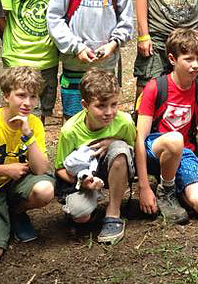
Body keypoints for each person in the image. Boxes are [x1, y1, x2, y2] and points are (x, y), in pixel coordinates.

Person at [135, 29, 198, 224]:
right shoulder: (155, 87)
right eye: (188, 59)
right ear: (172, 59)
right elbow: (139, 139)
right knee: (175, 139)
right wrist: (143, 187)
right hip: (155, 149)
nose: (195, 65)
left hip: (184, 154)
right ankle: (166, 191)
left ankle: (176, 189)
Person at [0, 67, 56, 268]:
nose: (28, 103)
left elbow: (41, 169)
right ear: (6, 96)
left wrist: (28, 135)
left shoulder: (34, 123)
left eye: (33, 97)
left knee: (44, 189)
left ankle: (15, 212)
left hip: (17, 185)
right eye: (21, 95)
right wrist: (6, 170)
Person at [54, 70, 136, 244]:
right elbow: (60, 168)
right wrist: (81, 181)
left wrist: (114, 141)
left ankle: (113, 212)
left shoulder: (124, 123)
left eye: (114, 104)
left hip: (112, 168)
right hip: (84, 177)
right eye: (101, 106)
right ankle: (89, 210)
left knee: (120, 149)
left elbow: (133, 150)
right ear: (85, 105)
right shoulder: (70, 130)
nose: (109, 112)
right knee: (80, 215)